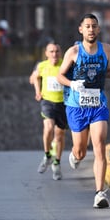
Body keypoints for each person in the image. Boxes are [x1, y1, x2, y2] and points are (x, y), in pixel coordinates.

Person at [57, 13, 110, 208]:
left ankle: (100, 193)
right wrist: (73, 84)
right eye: (87, 26)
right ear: (81, 29)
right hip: (76, 106)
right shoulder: (73, 52)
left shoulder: (106, 49)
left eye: (94, 26)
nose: (91, 29)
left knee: (99, 144)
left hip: (98, 103)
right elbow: (60, 76)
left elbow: (106, 72)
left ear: (99, 29)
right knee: (81, 151)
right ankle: (75, 155)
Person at [32, 43, 67, 180]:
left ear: (61, 52)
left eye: (57, 51)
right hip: (47, 102)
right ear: (46, 53)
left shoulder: (65, 64)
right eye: (51, 51)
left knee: (59, 135)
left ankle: (57, 163)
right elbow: (35, 77)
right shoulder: (42, 66)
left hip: (63, 104)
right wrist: (37, 91)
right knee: (48, 128)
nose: (54, 54)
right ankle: (47, 155)